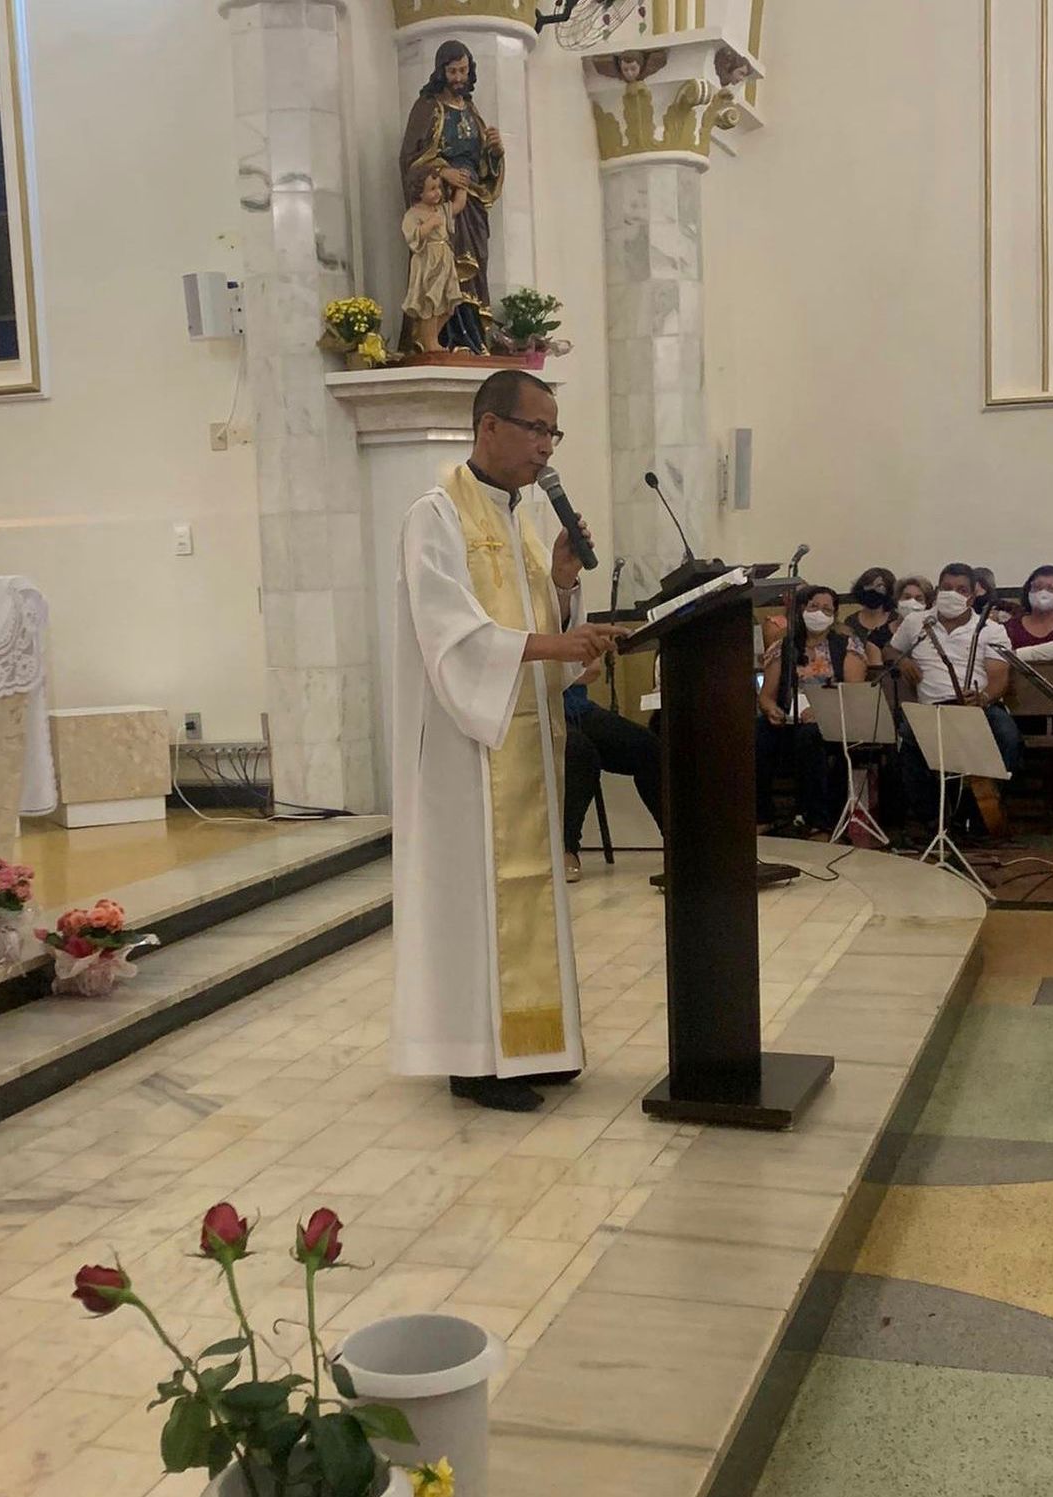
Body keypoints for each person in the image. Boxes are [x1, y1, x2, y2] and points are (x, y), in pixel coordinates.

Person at [390, 369, 625, 1113]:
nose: (546, 446)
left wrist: (562, 584)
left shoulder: (520, 518)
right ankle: (473, 1060)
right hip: (465, 752)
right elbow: (452, 634)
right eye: (536, 428)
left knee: (527, 893)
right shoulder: (435, 516)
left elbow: (536, 621)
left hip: (524, 744)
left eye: (554, 432)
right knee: (476, 897)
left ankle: (532, 1046)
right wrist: (557, 645)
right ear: (489, 426)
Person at [888, 563, 1022, 828]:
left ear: (972, 596)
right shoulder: (916, 622)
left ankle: (978, 814)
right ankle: (932, 819)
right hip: (931, 709)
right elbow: (889, 650)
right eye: (947, 588)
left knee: (1008, 736)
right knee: (908, 736)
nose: (952, 594)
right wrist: (901, 660)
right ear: (938, 591)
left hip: (979, 707)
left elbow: (999, 678)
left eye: (961, 590)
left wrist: (984, 697)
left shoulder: (990, 629)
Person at [399, 40, 504, 354]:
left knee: (474, 266)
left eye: (464, 70)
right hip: (441, 199)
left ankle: (472, 339)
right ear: (441, 71)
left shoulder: (471, 110)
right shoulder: (427, 108)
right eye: (453, 71)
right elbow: (409, 159)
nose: (459, 77)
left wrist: (495, 152)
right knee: (443, 269)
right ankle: (442, 339)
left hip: (470, 201)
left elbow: (482, 164)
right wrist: (443, 172)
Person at [756, 585, 866, 836]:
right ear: (802, 610)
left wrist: (821, 711)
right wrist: (771, 710)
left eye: (827, 609)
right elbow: (766, 697)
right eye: (813, 607)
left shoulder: (847, 646)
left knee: (809, 736)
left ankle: (816, 819)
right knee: (758, 732)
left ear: (834, 615)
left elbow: (853, 693)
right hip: (789, 718)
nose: (819, 613)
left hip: (832, 720)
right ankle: (763, 815)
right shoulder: (784, 647)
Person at [562, 664, 662, 881]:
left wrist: (556, 672)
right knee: (580, 752)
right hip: (536, 712)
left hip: (578, 708)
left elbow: (593, 669)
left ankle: (678, 844)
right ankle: (567, 848)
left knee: (648, 747)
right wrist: (565, 670)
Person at [401, 165, 465, 354]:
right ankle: (430, 343)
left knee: (448, 305)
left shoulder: (441, 210)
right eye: (432, 189)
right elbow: (412, 236)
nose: (438, 193)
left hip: (444, 261)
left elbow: (458, 205)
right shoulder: (413, 214)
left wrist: (463, 185)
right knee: (431, 302)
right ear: (418, 191)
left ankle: (429, 339)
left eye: (439, 188)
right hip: (428, 263)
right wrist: (429, 224)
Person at [1005, 566, 1053, 649]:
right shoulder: (1011, 627)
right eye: (1037, 587)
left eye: (1052, 588)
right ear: (1028, 591)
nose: (1043, 593)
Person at [845, 567, 898, 667]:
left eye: (880, 586)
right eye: (868, 585)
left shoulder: (896, 620)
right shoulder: (851, 621)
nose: (873, 590)